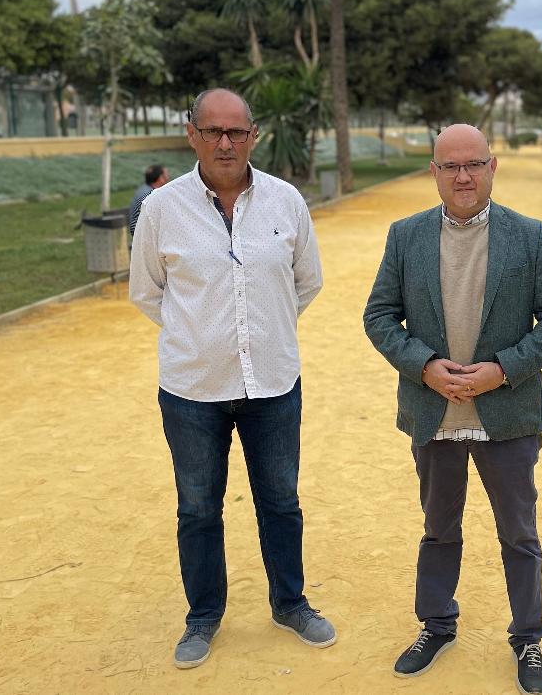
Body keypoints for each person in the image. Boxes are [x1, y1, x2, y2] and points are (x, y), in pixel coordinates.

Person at [363, 124, 542, 694]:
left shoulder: (528, 236)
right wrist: (426, 367)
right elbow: (379, 316)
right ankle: (436, 625)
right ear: (433, 172)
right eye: (450, 166)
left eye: (473, 164)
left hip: (507, 413)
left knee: (519, 534)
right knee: (438, 530)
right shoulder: (404, 237)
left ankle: (528, 638)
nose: (462, 176)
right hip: (435, 415)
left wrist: (500, 370)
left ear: (492, 166)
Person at [130, 88, 334, 670]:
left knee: (282, 502)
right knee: (197, 508)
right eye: (213, 131)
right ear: (190, 133)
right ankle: (203, 617)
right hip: (193, 390)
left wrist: (261, 330)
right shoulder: (161, 209)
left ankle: (290, 604)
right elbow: (147, 291)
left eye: (237, 132)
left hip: (273, 384)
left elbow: (306, 281)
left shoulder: (286, 201)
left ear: (254, 136)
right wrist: (202, 336)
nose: (226, 143)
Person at [129, 164, 169, 240]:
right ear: (160, 178)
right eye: (166, 174)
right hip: (144, 237)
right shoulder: (149, 195)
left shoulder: (145, 189)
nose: (169, 177)